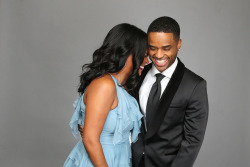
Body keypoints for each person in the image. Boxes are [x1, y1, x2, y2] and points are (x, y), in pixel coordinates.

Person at [63, 23, 147, 167]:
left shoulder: (124, 88)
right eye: (144, 55)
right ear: (128, 53)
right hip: (100, 162)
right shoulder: (104, 85)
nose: (147, 61)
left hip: (119, 159)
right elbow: (90, 139)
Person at [132, 16, 209, 167]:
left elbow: (192, 141)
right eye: (153, 48)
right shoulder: (138, 74)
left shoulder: (195, 86)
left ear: (178, 44)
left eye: (166, 48)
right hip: (131, 162)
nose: (159, 55)